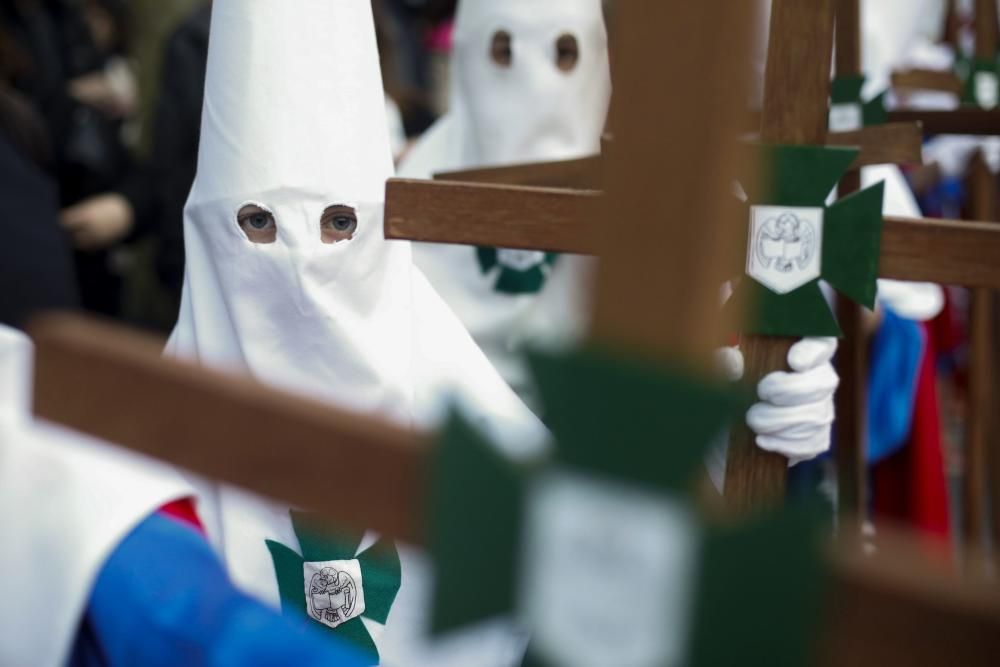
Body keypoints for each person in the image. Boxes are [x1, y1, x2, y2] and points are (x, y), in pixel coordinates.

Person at [398, 0, 612, 407]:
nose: (539, 84)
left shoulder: (633, 193)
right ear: (468, 52)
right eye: (505, 51)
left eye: (564, 53)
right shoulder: (412, 190)